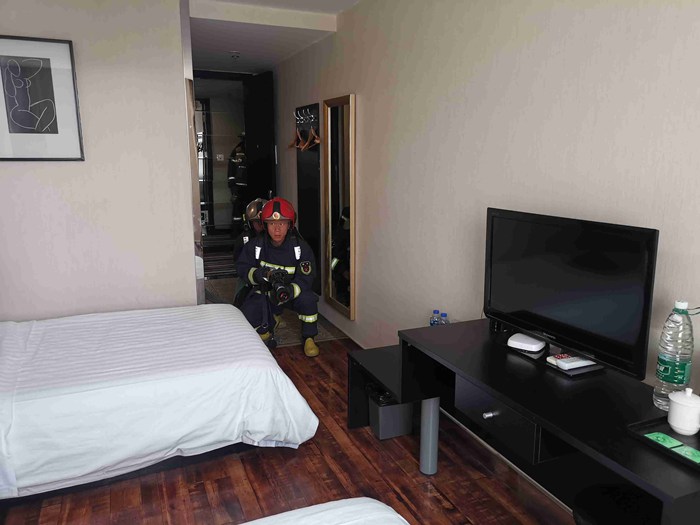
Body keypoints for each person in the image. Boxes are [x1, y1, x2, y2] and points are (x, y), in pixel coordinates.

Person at [235, 197, 320, 357]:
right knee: (247, 313)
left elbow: (307, 277)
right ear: (265, 225)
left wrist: (291, 290)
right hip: (266, 291)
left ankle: (309, 337)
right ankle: (270, 322)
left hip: (292, 291)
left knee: (308, 300)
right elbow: (242, 267)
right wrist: (259, 275)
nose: (277, 229)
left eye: (282, 223)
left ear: (290, 225)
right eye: (272, 224)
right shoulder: (256, 245)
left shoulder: (300, 248)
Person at [232, 198, 267, 306]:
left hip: (272, 278)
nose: (261, 225)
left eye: (263, 222)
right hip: (248, 278)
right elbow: (239, 264)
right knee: (241, 299)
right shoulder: (244, 240)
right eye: (257, 222)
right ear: (250, 222)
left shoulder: (277, 238)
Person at [330, 207, 351, 306]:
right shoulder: (338, 234)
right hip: (341, 276)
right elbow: (332, 260)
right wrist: (343, 271)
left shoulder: (354, 233)